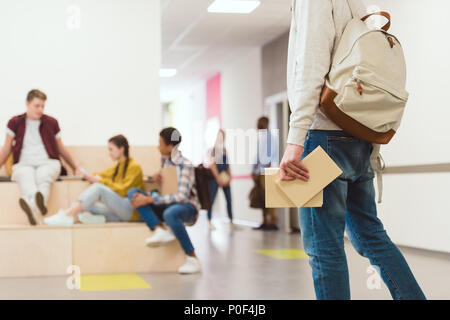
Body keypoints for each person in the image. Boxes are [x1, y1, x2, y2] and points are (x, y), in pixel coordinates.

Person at [280, 0, 425, 300]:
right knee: (371, 235)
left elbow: (310, 67)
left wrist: (295, 141)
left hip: (322, 137)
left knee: (324, 248)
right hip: (358, 136)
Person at [128, 127, 202, 274]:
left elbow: (181, 197)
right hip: (169, 204)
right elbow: (168, 189)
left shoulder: (185, 165)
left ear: (170, 147)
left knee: (170, 213)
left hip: (187, 207)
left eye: (160, 143)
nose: (158, 146)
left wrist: (150, 199)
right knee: (134, 193)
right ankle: (158, 229)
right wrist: (157, 178)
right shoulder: (166, 162)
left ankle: (192, 258)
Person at [0, 89, 79, 225]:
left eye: (43, 106)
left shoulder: (51, 122)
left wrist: (75, 167)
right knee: (26, 178)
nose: (40, 109)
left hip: (48, 162)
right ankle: (36, 208)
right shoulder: (14, 122)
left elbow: (60, 148)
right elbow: (6, 148)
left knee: (44, 177)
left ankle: (31, 207)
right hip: (24, 163)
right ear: (27, 103)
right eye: (37, 105)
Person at [44, 135, 144, 226]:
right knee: (82, 205)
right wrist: (86, 174)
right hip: (120, 213)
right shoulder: (117, 167)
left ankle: (66, 216)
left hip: (130, 210)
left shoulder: (134, 167)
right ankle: (100, 219)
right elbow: (100, 175)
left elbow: (123, 190)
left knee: (98, 189)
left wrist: (99, 181)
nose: (109, 153)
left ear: (121, 149)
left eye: (111, 149)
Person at [252, 116, 279, 231]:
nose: (257, 124)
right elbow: (257, 156)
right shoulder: (261, 138)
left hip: (266, 170)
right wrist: (254, 170)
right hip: (259, 171)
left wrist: (261, 169)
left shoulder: (270, 138)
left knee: (270, 196)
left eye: (259, 122)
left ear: (265, 123)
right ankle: (264, 221)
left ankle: (272, 222)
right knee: (262, 197)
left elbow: (268, 157)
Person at [204, 129, 233, 230]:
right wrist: (218, 178)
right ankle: (208, 220)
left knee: (229, 199)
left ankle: (231, 220)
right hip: (214, 179)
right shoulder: (213, 150)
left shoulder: (225, 150)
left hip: (225, 178)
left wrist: (229, 177)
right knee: (211, 200)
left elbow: (228, 165)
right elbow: (212, 165)